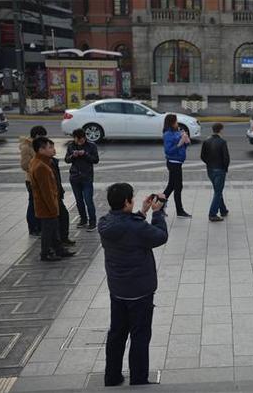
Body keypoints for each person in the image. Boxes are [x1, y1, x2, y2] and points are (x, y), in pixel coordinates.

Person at [98, 183, 168, 387]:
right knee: (139, 335)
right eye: (132, 199)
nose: (134, 201)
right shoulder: (136, 227)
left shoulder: (105, 223)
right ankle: (138, 379)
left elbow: (127, 227)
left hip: (118, 289)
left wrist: (142, 212)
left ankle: (112, 377)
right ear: (127, 202)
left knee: (117, 333)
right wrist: (157, 213)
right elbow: (159, 236)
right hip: (139, 291)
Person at [30, 137, 75, 262]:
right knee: (48, 231)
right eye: (50, 147)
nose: (53, 150)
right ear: (41, 150)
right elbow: (46, 192)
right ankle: (45, 253)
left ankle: (59, 249)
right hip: (47, 206)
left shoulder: (42, 162)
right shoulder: (41, 166)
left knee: (54, 229)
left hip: (49, 205)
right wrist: (53, 209)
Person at [65, 128, 99, 231]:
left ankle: (92, 222)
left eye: (82, 139)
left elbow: (95, 160)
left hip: (87, 177)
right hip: (74, 177)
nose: (80, 141)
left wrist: (85, 154)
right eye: (77, 139)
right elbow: (66, 160)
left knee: (88, 200)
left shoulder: (91, 146)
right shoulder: (71, 146)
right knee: (79, 201)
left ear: (85, 137)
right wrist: (73, 156)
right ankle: (83, 219)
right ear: (74, 138)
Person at [162, 114, 192, 218]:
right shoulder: (167, 134)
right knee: (178, 187)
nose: (177, 123)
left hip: (178, 162)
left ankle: (160, 206)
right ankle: (180, 211)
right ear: (171, 123)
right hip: (173, 163)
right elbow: (168, 151)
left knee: (171, 186)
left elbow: (185, 143)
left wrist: (186, 140)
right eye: (175, 121)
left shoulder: (177, 131)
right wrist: (180, 143)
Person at [20, 126, 47, 236]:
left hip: (41, 179)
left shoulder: (39, 145)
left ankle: (39, 226)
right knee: (33, 204)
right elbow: (24, 165)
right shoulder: (27, 147)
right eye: (42, 136)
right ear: (36, 135)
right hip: (31, 180)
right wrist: (37, 166)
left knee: (39, 203)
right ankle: (33, 228)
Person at [200, 123, 230, 222]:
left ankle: (223, 210)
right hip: (219, 169)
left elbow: (202, 156)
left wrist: (208, 163)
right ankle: (212, 214)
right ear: (220, 130)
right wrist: (225, 168)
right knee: (218, 192)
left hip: (210, 169)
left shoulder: (206, 141)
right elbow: (226, 158)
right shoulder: (222, 142)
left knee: (218, 190)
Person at [49, 140, 75, 246]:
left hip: (57, 194)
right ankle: (54, 246)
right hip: (51, 197)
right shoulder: (43, 164)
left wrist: (60, 190)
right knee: (56, 220)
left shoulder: (53, 161)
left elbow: (57, 179)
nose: (54, 149)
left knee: (63, 217)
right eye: (50, 147)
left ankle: (63, 239)